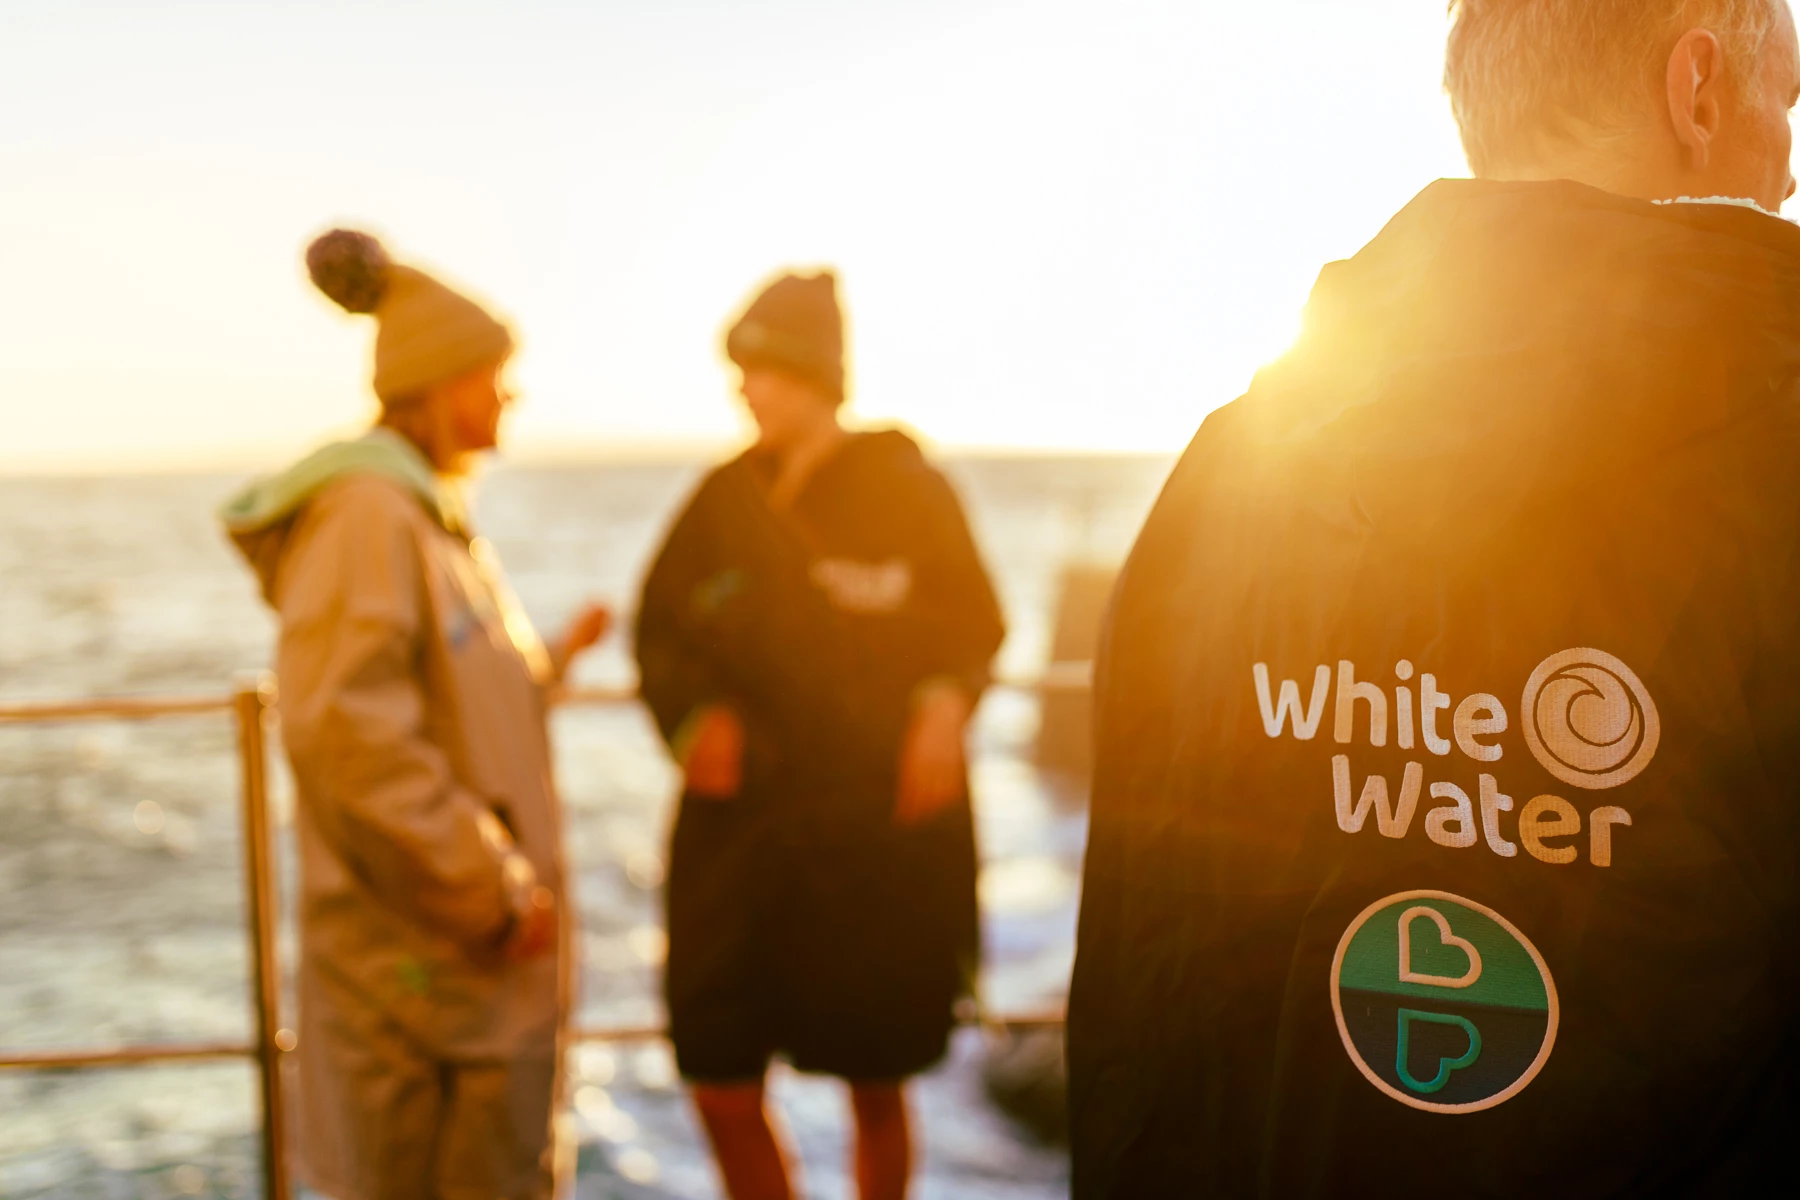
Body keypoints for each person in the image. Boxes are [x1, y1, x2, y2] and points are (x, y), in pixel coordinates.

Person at [1070, 1, 1800, 1195]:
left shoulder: (1233, 464)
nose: (1789, 152)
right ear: (1701, 90)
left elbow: (1148, 982)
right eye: (1790, 101)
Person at [220, 230, 609, 1200]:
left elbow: (454, 699)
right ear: (440, 383)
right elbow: (350, 735)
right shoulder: (367, 515)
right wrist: (494, 890)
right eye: (494, 377)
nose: (509, 397)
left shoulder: (421, 518)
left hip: (462, 1000)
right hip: (424, 996)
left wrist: (553, 658)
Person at [634, 270, 1005, 1200]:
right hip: (740, 833)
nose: (742, 390)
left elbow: (975, 622)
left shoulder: (907, 487)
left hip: (875, 828)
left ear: (809, 375)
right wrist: (691, 719)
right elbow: (659, 629)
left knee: (875, 1074)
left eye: (757, 370)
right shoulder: (720, 501)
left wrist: (946, 700)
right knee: (718, 1074)